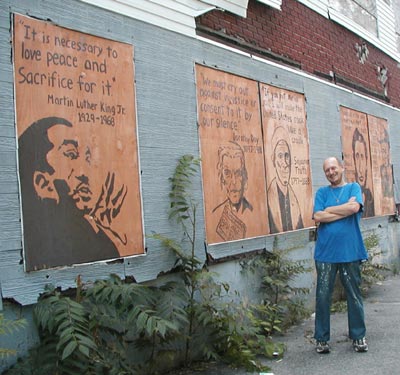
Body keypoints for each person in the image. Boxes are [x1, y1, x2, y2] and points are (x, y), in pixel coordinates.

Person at [18, 116, 125, 271]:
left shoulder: (100, 239)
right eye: (70, 155)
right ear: (42, 183)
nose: (85, 172)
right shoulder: (39, 246)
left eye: (87, 157)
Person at [313, 156, 368, 354]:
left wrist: (330, 210)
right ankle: (321, 339)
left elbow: (355, 207)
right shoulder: (321, 192)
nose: (331, 172)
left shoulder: (353, 188)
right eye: (327, 170)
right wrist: (343, 210)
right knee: (322, 297)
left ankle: (358, 336)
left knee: (354, 295)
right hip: (325, 253)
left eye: (333, 168)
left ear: (342, 168)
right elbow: (318, 216)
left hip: (350, 251)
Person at [212, 141, 253, 241]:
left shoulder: (252, 212)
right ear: (222, 178)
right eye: (227, 173)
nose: (233, 182)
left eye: (238, 173)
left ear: (244, 176)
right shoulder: (216, 214)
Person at [267, 127, 303, 233]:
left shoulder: (294, 201)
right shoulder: (269, 200)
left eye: (287, 156)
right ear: (274, 160)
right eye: (280, 156)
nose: (285, 163)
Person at [352, 128, 374, 217]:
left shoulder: (370, 198)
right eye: (357, 157)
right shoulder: (349, 192)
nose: (360, 168)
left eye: (362, 157)